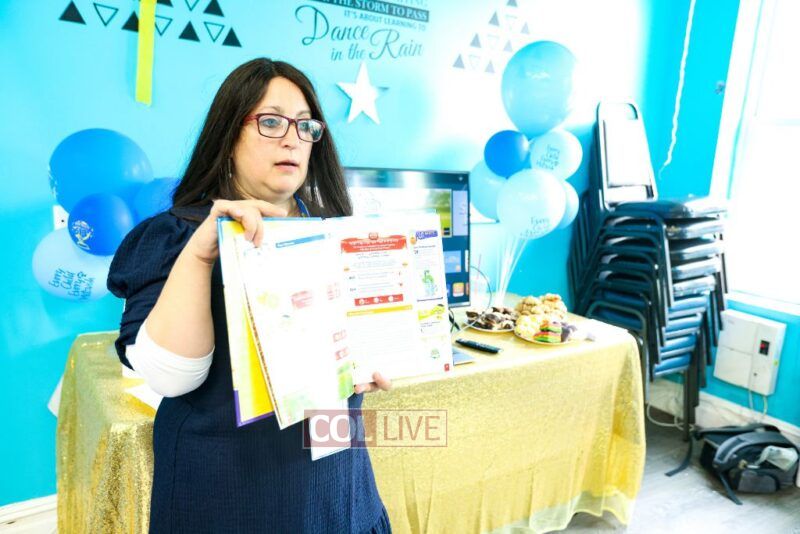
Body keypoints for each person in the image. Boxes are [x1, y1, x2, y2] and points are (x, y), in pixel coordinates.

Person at [108, 58, 392, 533]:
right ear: (228, 135)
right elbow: (169, 377)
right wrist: (202, 255)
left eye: (305, 126)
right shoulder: (177, 236)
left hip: (337, 485)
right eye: (271, 121)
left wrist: (366, 362)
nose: (292, 139)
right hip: (229, 490)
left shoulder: (335, 231)